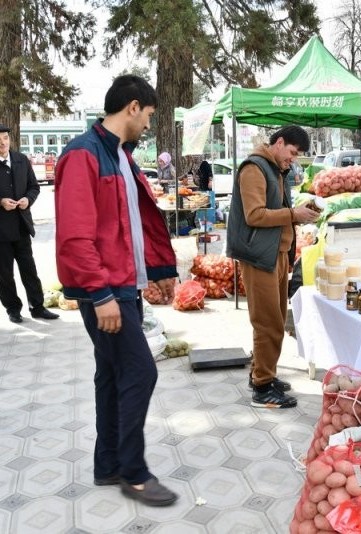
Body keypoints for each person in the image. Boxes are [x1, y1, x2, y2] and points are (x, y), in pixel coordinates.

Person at [54, 75, 179, 506]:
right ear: (132, 106)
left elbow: (137, 220)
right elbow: (75, 234)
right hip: (107, 290)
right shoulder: (83, 155)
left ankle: (107, 465)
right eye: (148, 114)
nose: (148, 124)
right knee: (140, 372)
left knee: (111, 376)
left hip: (125, 283)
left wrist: (160, 269)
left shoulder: (122, 156)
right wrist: (101, 293)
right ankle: (133, 471)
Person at [226, 125, 320, 409]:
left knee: (276, 320)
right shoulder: (254, 168)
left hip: (276, 255)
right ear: (279, 143)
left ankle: (263, 374)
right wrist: (294, 214)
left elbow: (274, 207)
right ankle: (262, 388)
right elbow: (255, 215)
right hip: (259, 257)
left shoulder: (277, 169)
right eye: (292, 153)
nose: (293, 159)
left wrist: (301, 211)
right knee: (267, 323)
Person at [0, 124, 59, 323]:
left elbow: (34, 187)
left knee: (30, 270)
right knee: (4, 275)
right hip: (1, 232)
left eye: (5, 138)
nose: (3, 143)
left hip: (22, 226)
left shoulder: (21, 160)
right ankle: (13, 309)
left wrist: (27, 199)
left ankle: (38, 307)